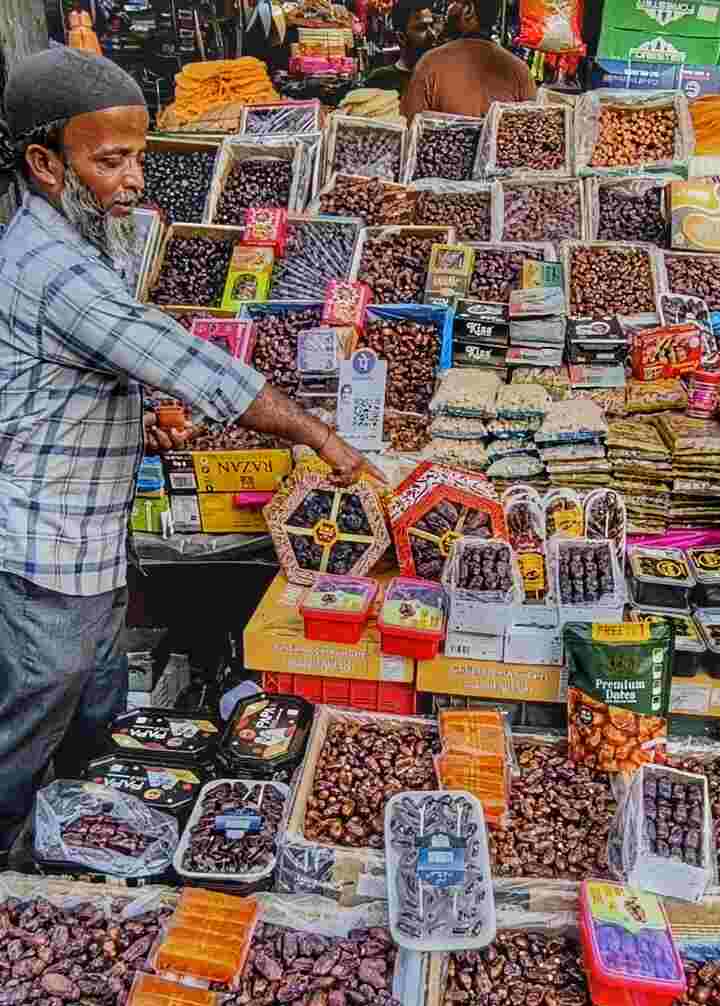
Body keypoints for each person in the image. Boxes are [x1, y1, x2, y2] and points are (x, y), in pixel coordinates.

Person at [0, 47, 385, 852]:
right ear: (44, 163)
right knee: (36, 713)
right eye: (111, 160)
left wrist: (138, 416)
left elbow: (58, 377)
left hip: (89, 543)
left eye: (137, 155)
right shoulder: (50, 263)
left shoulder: (84, 238)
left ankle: (81, 851)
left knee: (95, 715)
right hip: (44, 545)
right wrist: (320, 436)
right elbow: (186, 359)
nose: (136, 179)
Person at [401, 0, 535, 119]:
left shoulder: (430, 64)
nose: (446, 12)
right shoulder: (520, 70)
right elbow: (530, 131)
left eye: (451, 3)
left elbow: (411, 131)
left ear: (468, 10)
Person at [367, 0, 436, 99]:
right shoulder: (380, 80)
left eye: (432, 26)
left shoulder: (442, 76)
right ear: (401, 37)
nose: (432, 34)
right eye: (421, 28)